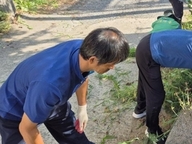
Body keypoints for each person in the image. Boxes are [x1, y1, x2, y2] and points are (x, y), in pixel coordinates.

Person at [0, 27, 130, 144]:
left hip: (51, 101)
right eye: (110, 64)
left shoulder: (85, 49)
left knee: (77, 140)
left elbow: (82, 77)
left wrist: (82, 108)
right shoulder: (50, 85)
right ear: (92, 60)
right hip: (14, 111)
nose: (112, 68)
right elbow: (26, 128)